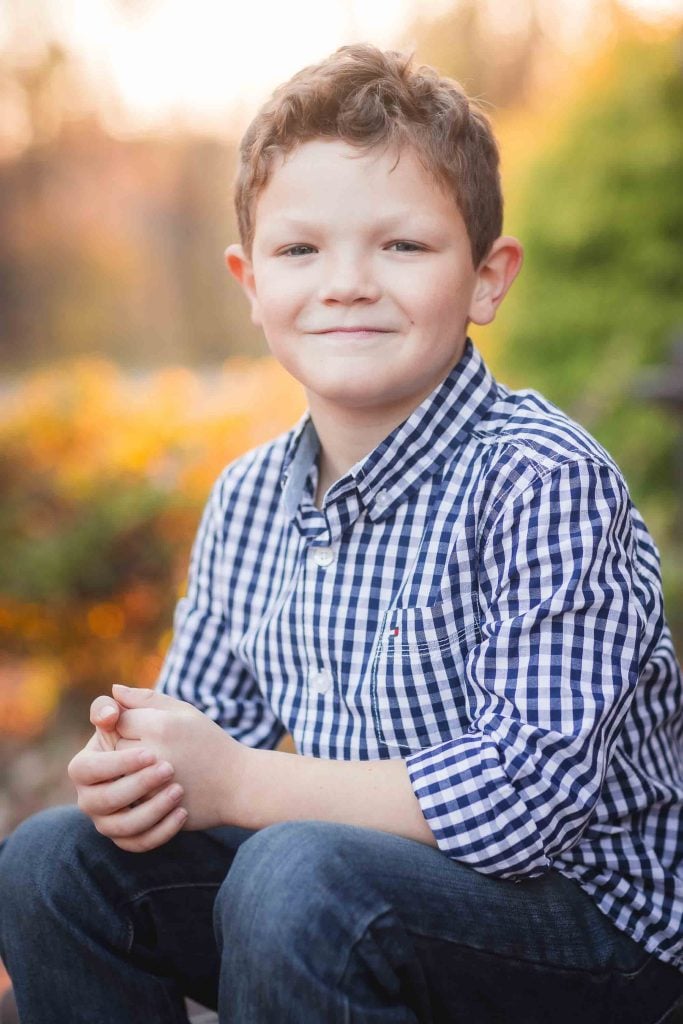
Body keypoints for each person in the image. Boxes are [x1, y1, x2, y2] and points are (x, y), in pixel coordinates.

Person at [0, 43, 682, 1024]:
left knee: (298, 874)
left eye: (400, 246)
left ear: (486, 279)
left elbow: (524, 806)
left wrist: (237, 778)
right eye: (300, 249)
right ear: (249, 283)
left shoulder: (539, 476)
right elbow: (206, 739)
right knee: (49, 860)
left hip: (590, 933)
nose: (348, 283)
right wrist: (143, 770)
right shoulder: (246, 499)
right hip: (343, 895)